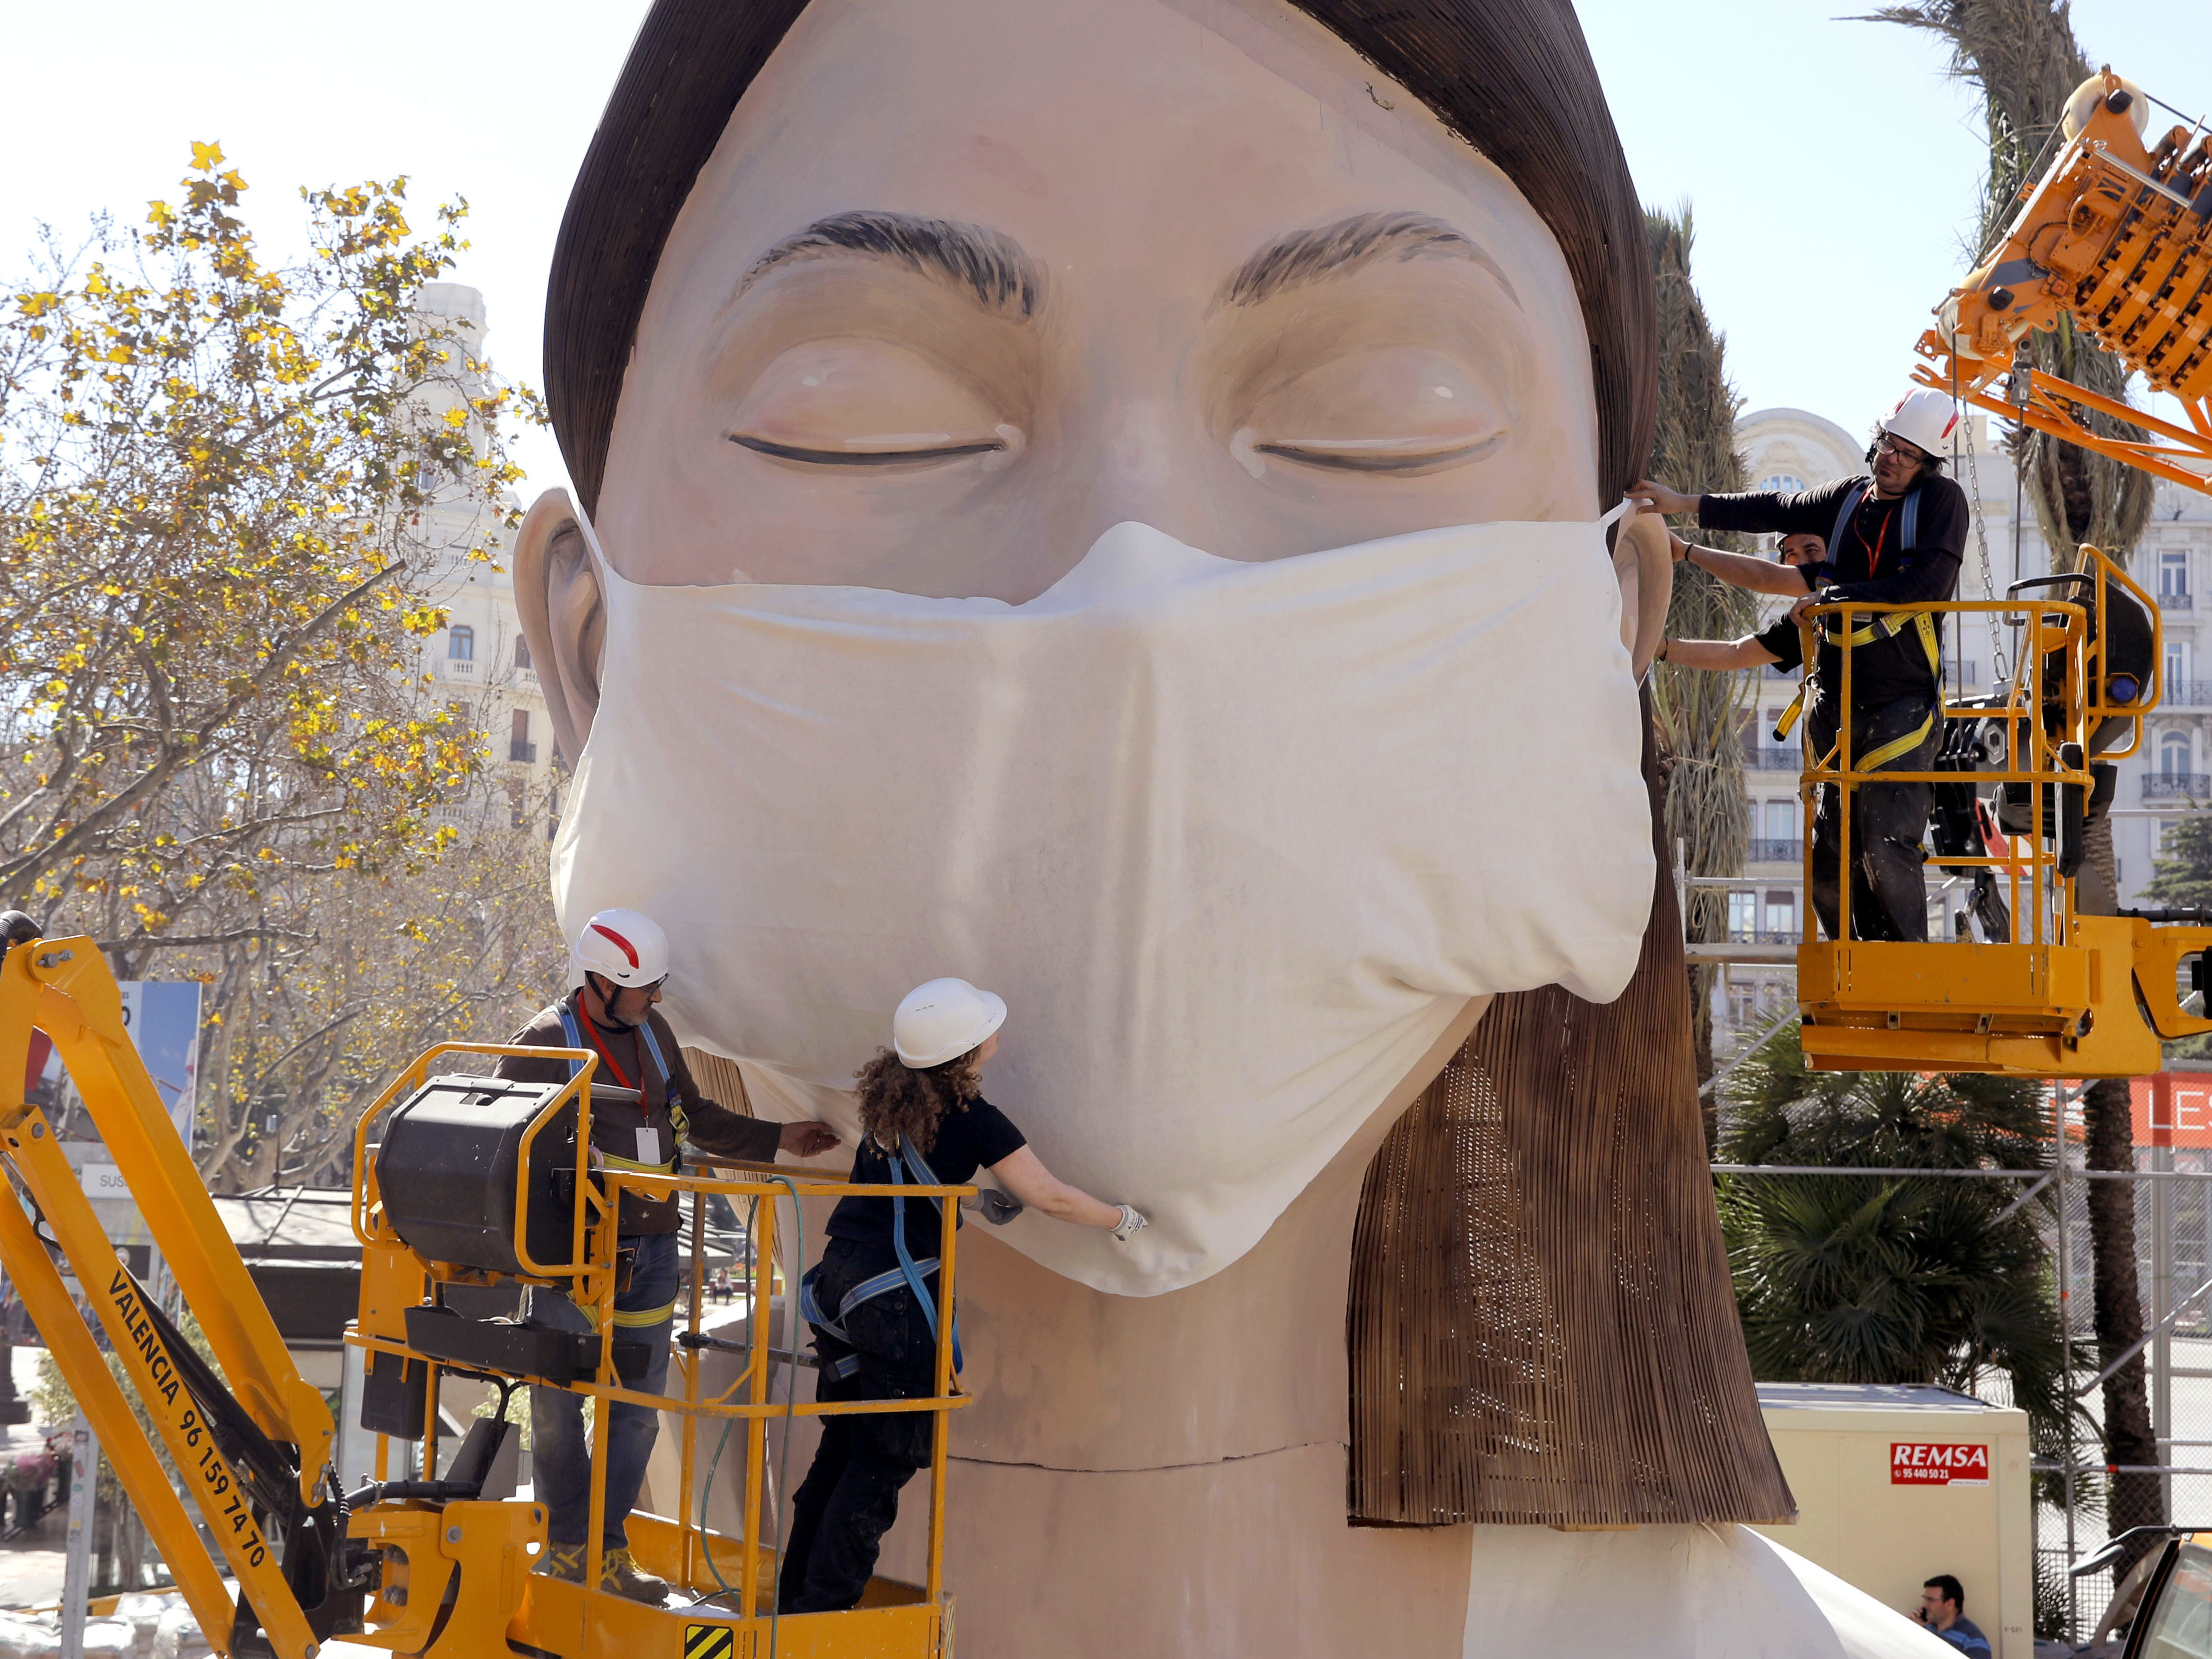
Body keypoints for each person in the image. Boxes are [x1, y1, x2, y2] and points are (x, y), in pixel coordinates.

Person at [495, 907, 839, 1603]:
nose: (654, 997)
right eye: (642, 987)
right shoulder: (544, 1042)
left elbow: (700, 1118)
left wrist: (779, 1138)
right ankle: (567, 1549)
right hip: (567, 1256)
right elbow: (499, 1147)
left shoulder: (653, 1034)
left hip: (650, 1248)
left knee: (637, 1406)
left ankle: (606, 1550)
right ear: (599, 981)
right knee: (558, 1403)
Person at [779, 977, 1146, 1614]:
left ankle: (795, 1603)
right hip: (890, 1301)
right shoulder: (976, 1120)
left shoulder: (892, 1103)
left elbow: (909, 1175)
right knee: (880, 1465)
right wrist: (1121, 1220)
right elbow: (1051, 1195)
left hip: (841, 1281)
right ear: (968, 1051)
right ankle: (822, 1618)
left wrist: (971, 1198)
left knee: (843, 1446)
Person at [1637, 389, 1970, 943]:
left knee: (1885, 842)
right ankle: (1851, 961)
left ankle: (1905, 962)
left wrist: (1835, 600)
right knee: (1830, 853)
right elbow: (1769, 509)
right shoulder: (1846, 503)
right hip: (1838, 703)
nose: (1892, 457)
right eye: (1889, 443)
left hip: (1903, 704)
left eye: (1908, 453)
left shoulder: (1941, 503)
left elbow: (1928, 586)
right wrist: (1684, 507)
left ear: (1926, 465)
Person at [1916, 1575, 1991, 1656]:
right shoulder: (1926, 1628)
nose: (1925, 1605)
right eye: (1925, 1599)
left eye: (1931, 1600)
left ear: (1950, 1604)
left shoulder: (1972, 1640)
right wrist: (1912, 1630)